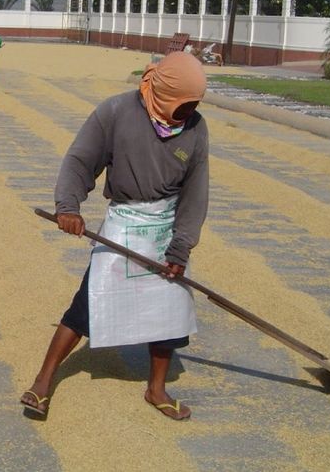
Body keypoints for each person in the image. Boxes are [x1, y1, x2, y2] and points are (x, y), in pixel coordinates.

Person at [20, 51, 209, 421]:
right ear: (165, 93)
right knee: (87, 305)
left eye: (194, 105)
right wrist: (69, 207)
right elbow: (80, 160)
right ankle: (43, 381)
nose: (189, 112)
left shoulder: (197, 129)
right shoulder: (117, 113)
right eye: (184, 105)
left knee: (169, 309)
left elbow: (195, 193)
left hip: (165, 227)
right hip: (124, 222)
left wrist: (181, 245)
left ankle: (156, 389)